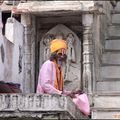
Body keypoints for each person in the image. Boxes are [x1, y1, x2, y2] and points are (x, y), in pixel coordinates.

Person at [36, 38, 90, 116]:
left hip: (55, 99)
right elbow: (45, 85)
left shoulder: (58, 67)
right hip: (45, 101)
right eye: (60, 54)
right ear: (54, 53)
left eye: (64, 54)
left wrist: (72, 93)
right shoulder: (48, 64)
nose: (62, 56)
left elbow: (59, 89)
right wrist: (61, 93)